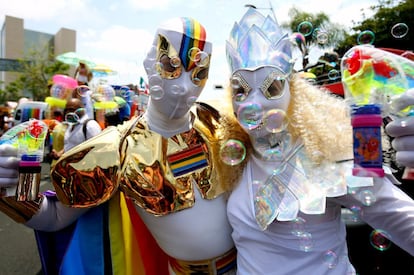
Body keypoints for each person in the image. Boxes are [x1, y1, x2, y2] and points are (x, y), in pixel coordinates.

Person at [0, 17, 250, 274]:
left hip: (251, 265)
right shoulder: (114, 150)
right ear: (149, 63)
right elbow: (54, 217)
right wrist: (10, 191)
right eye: (170, 66)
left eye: (199, 73)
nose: (184, 86)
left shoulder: (217, 123)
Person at [225, 8, 414, 275]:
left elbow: (405, 222)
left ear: (294, 93)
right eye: (240, 90)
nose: (253, 104)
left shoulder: (324, 159)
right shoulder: (234, 161)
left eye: (271, 88)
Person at [49, 97, 101, 164]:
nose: (68, 112)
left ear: (81, 110)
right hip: (69, 169)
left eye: (71, 109)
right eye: (66, 110)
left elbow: (97, 148)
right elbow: (70, 145)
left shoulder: (90, 125)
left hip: (83, 169)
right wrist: (59, 154)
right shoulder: (71, 125)